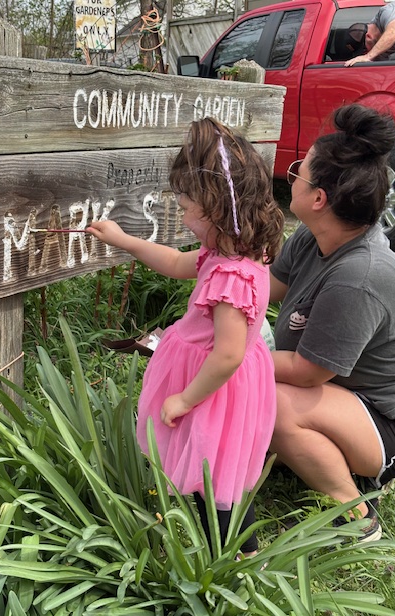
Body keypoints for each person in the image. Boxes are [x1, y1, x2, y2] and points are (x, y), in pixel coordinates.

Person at [88, 117, 284, 557]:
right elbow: (177, 263)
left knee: (215, 477)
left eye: (185, 204)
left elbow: (229, 354)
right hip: (216, 386)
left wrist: (185, 399)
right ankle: (230, 547)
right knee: (216, 471)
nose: (180, 212)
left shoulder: (232, 277)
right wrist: (126, 241)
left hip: (213, 389)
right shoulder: (233, 249)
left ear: (215, 207)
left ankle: (239, 557)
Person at [268, 103, 395, 543]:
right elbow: (262, 288)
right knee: (260, 392)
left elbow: (309, 373)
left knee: (272, 403)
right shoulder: (314, 236)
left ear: (318, 198)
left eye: (299, 171)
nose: (291, 176)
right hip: (348, 398)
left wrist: (229, 358)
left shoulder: (359, 275)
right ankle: (342, 462)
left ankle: (357, 516)